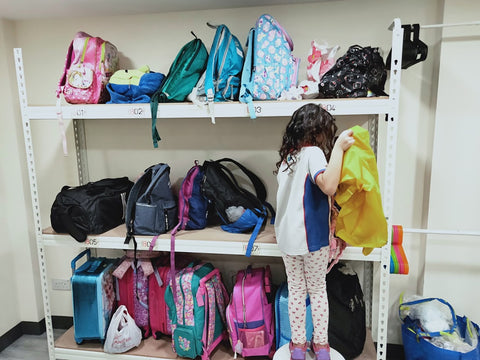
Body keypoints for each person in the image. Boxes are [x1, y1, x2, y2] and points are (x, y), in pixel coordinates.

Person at [274, 103, 354, 360]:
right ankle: (321, 347)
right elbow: (329, 185)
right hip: (311, 239)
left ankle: (297, 347)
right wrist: (340, 148)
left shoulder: (289, 157)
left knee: (296, 291)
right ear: (319, 131)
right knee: (318, 291)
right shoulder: (314, 154)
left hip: (287, 237)